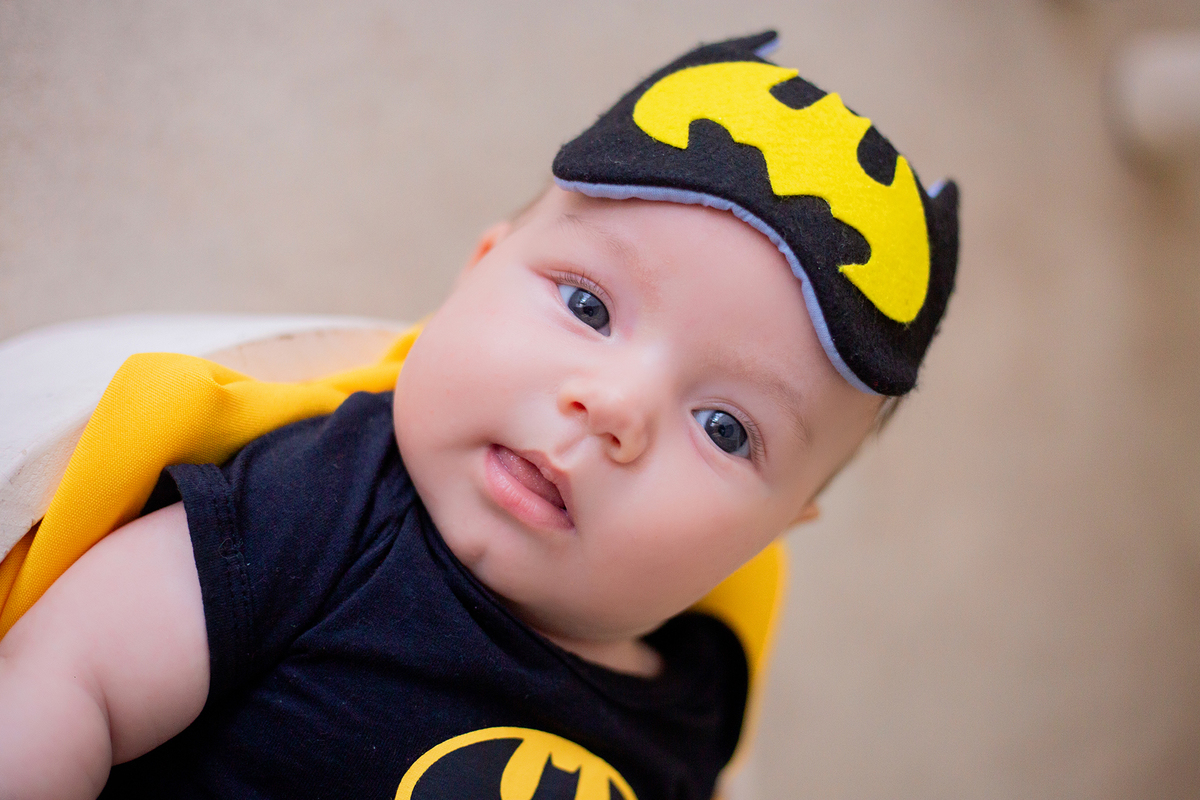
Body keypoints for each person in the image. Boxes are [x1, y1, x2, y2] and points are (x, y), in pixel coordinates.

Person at [0, 31, 958, 800]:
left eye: (725, 427)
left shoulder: (700, 701)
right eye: (587, 305)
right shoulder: (329, 504)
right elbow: (66, 679)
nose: (613, 407)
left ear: (777, 531)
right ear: (477, 271)